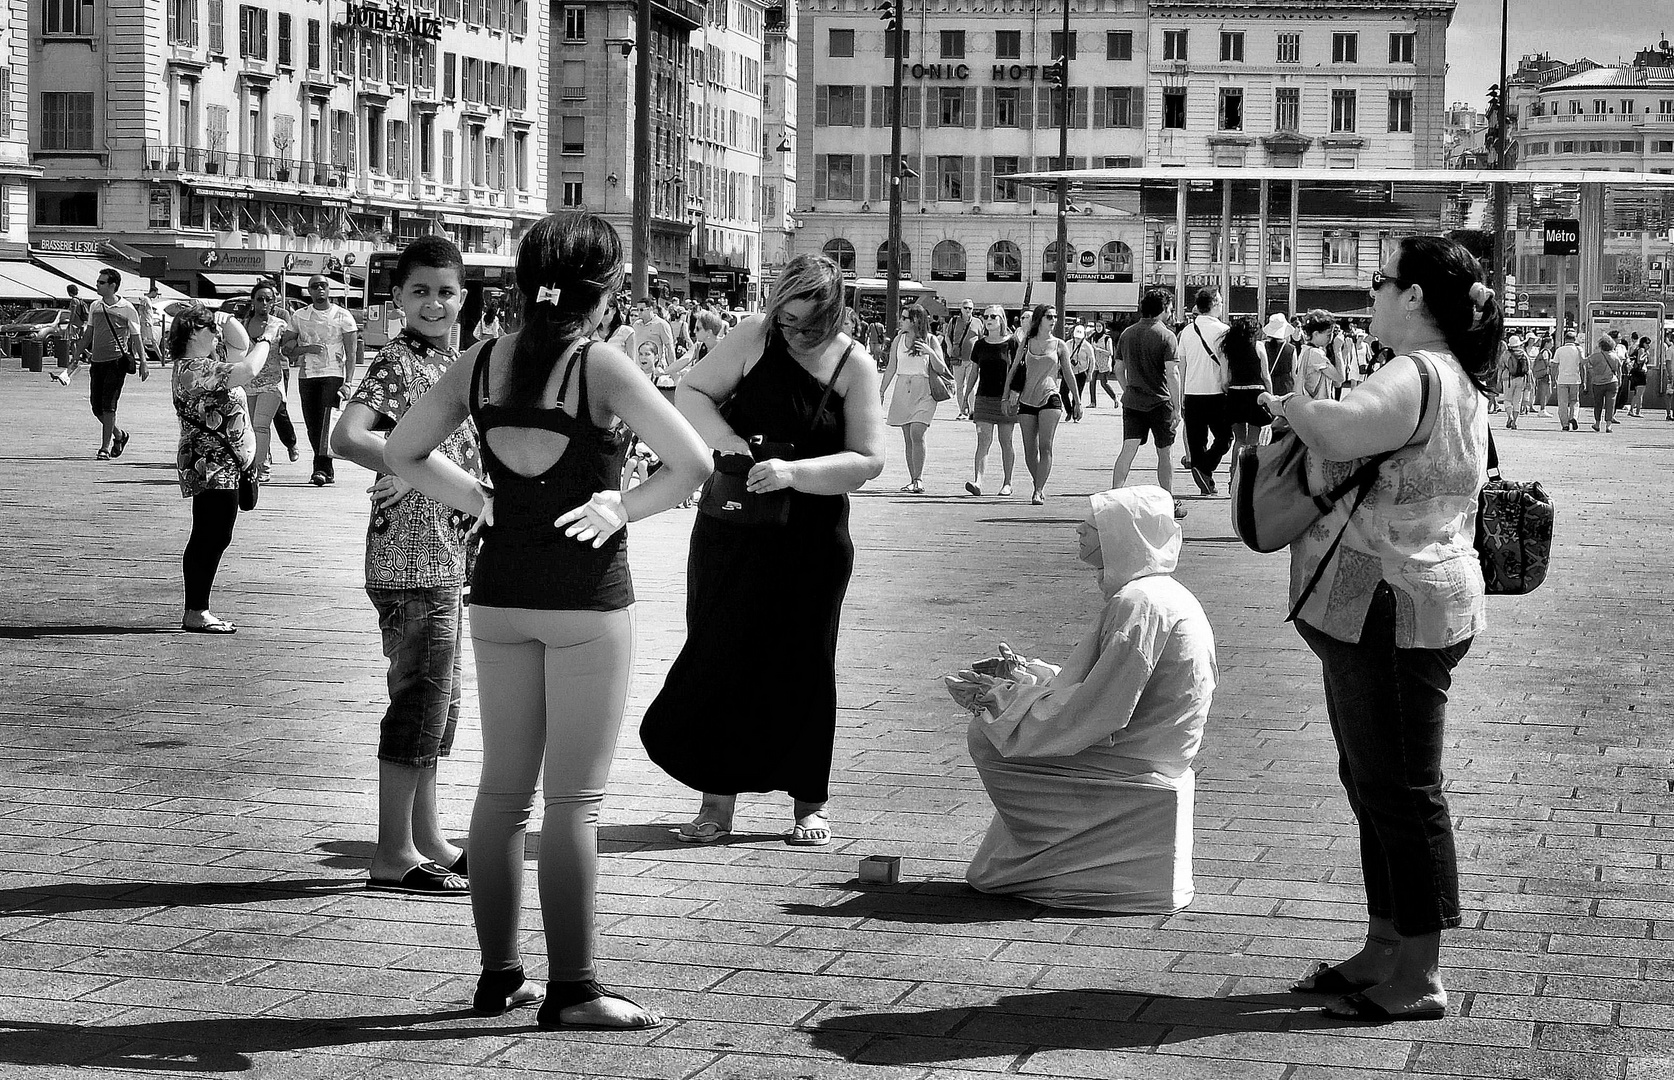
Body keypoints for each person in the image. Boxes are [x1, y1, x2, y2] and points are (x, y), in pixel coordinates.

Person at [385, 212, 711, 1030]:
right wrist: (621, 506)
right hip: (585, 603)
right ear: (603, 295)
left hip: (496, 595)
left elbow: (402, 451)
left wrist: (479, 499)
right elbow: (694, 464)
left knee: (500, 794)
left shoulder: (481, 361)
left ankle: (499, 976)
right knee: (574, 804)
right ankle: (573, 988)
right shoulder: (598, 366)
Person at [1258, 234, 1495, 1024]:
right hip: (1393, 599)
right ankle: (1385, 941)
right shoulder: (1452, 375)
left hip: (1394, 605)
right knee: (1371, 784)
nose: (1371, 293)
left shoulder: (1415, 371)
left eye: (1379, 281)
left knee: (1401, 791)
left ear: (1416, 298)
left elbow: (1335, 433)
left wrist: (1287, 400)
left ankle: (1420, 970)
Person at [640, 254, 886, 849]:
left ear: (834, 314)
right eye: (788, 321)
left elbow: (869, 458)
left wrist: (794, 473)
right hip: (733, 528)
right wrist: (727, 444)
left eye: (809, 325)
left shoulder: (856, 364)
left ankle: (809, 804)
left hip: (811, 539)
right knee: (721, 653)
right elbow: (691, 389)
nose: (796, 334)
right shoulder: (753, 336)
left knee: (804, 660)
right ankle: (715, 803)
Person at [945, 486, 1217, 912]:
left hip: (1142, 750)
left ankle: (1053, 857)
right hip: (1152, 738)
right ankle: (1054, 855)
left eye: (1091, 526)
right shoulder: (1151, 595)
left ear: (1120, 537)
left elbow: (1101, 708)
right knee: (997, 721)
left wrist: (1006, 701)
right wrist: (1024, 677)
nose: (1078, 530)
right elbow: (1105, 688)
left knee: (987, 733)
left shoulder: (1139, 602)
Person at [331, 237, 479, 899]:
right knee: (419, 704)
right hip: (411, 562)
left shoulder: (449, 366)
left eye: (445, 291)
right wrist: (403, 467)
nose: (433, 302)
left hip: (443, 559)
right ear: (397, 299)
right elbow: (348, 435)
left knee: (439, 707)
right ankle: (393, 852)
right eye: (419, 291)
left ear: (463, 299)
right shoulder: (399, 360)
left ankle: (429, 838)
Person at [172, 303, 264, 634]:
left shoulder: (207, 362)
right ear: (193, 333)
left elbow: (240, 346)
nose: (215, 331)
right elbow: (249, 369)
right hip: (209, 463)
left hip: (221, 462)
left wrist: (227, 320)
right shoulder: (193, 368)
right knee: (211, 536)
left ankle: (197, 609)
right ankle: (196, 610)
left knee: (213, 534)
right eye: (209, 327)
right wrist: (267, 341)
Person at [1110, 290, 1185, 520]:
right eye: (1170, 308)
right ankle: (1168, 501)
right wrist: (1177, 406)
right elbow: (1172, 373)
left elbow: (1118, 369)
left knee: (1128, 449)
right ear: (1163, 309)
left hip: (1133, 402)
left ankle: (1114, 498)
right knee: (1165, 453)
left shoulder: (1127, 333)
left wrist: (1128, 389)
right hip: (1159, 402)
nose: (1171, 313)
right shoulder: (1166, 336)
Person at [1003, 304, 1081, 505]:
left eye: (1055, 316)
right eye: (1049, 316)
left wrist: (1077, 401)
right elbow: (1012, 370)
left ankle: (1038, 490)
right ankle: (1038, 481)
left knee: (1046, 446)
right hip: (1027, 399)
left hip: (1050, 398)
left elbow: (1068, 375)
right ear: (1039, 319)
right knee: (1030, 449)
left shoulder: (1059, 345)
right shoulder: (1027, 343)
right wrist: (1005, 397)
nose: (1053, 319)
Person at [288, 274, 360, 486]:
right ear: (308, 291)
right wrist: (306, 349)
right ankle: (324, 468)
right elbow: (287, 349)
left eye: (323, 286)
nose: (319, 289)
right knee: (312, 425)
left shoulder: (342, 316)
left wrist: (348, 382)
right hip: (308, 375)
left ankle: (321, 468)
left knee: (326, 424)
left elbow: (352, 353)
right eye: (314, 286)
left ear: (329, 289)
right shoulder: (300, 316)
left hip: (333, 375)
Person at [72, 269, 149, 460]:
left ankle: (104, 448)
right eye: (98, 282)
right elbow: (88, 333)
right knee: (96, 407)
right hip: (96, 362)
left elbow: (136, 337)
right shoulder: (95, 307)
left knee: (109, 405)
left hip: (116, 362)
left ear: (112, 285)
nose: (97, 285)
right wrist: (76, 354)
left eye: (101, 282)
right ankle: (119, 435)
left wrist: (143, 362)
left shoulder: (128, 308)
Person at [879, 303, 949, 494]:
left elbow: (941, 368)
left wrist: (930, 351)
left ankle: (919, 479)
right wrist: (882, 391)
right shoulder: (898, 340)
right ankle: (913, 479)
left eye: (904, 318)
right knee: (908, 438)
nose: (900, 321)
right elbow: (892, 367)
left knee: (917, 432)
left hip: (924, 390)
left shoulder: (931, 339)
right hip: (903, 390)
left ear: (915, 320)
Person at [1176, 287, 1232, 497]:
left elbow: (1181, 365)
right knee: (1225, 437)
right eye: (1221, 302)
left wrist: (1181, 394)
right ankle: (1206, 470)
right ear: (1215, 304)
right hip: (1217, 392)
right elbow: (1226, 363)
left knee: (1197, 441)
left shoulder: (1187, 331)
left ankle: (1203, 474)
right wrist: (1226, 383)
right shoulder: (1224, 330)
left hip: (1192, 393)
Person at [962, 304, 1019, 497]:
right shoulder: (980, 344)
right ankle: (978, 481)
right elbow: (973, 372)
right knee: (983, 440)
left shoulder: (1011, 342)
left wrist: (1015, 392)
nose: (989, 320)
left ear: (1002, 319)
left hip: (1005, 399)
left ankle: (1007, 482)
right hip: (984, 397)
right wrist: (965, 396)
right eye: (985, 316)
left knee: (1006, 441)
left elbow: (1019, 369)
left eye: (993, 316)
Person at [241, 282, 292, 482]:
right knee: (249, 427)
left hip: (272, 382)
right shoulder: (243, 325)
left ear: (274, 302)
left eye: (268, 299)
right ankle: (258, 461)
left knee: (261, 425)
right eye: (260, 298)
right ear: (253, 301)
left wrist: (305, 348)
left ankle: (260, 468)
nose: (264, 303)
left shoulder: (279, 324)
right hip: (248, 382)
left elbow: (289, 348)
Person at [1223, 317, 1272, 463]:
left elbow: (1225, 380)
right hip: (1255, 393)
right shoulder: (1258, 346)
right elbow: (1265, 375)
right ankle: (1247, 477)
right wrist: (1270, 395)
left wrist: (1230, 390)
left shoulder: (1228, 348)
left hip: (1235, 393)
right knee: (1253, 440)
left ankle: (1234, 475)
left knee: (1239, 440)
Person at [943, 298, 980, 419]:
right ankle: (962, 411)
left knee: (972, 386)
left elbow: (981, 338)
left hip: (972, 360)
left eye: (970, 308)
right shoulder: (954, 321)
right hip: (957, 359)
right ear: (961, 309)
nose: (968, 310)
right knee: (959, 386)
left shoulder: (978, 322)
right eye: (966, 308)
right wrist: (949, 348)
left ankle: (973, 411)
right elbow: (947, 336)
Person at [1300, 310, 1344, 402]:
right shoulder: (1316, 354)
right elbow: (1340, 378)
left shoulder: (1306, 350)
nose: (1331, 338)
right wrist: (1338, 351)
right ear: (1315, 334)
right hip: (1319, 406)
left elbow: (1337, 384)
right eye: (1328, 334)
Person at [1584, 334, 1620, 433]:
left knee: (1598, 403)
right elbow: (1618, 369)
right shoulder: (1614, 356)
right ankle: (1608, 425)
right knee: (1610, 404)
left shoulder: (1595, 356)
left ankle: (1597, 423)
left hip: (1597, 383)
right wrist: (1619, 381)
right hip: (1612, 382)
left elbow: (1584, 362)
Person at [1552, 328, 1585, 431]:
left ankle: (1565, 424)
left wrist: (1553, 379)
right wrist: (1584, 380)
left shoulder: (1559, 350)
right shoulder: (1579, 350)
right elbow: (1582, 366)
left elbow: (1554, 365)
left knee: (1563, 403)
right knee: (1574, 401)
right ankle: (1573, 417)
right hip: (1575, 379)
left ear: (1565, 339)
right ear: (1574, 339)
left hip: (1562, 380)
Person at [631, 297, 675, 371]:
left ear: (650, 309)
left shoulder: (662, 324)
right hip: (639, 367)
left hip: (656, 368)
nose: (639, 312)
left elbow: (669, 348)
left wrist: (673, 369)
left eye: (641, 310)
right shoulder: (636, 325)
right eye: (637, 310)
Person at [1065, 323, 1095, 422]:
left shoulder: (1087, 346)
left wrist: (1090, 373)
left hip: (1081, 372)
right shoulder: (1068, 344)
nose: (1077, 340)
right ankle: (1068, 410)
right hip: (1069, 371)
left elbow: (1092, 360)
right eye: (1076, 338)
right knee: (1063, 392)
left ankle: (1075, 415)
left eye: (1079, 338)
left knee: (1077, 394)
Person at [1499, 334, 1527, 429]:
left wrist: (1499, 380)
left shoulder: (1506, 353)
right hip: (1521, 379)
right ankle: (1514, 422)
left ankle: (1509, 416)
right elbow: (1528, 368)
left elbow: (1501, 367)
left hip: (1508, 378)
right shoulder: (1523, 353)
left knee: (1507, 399)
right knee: (1517, 401)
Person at [1088, 324, 1116, 408]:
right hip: (1095, 362)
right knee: (1092, 382)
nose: (1098, 328)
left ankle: (1114, 398)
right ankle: (1093, 402)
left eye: (1100, 326)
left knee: (1103, 383)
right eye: (1097, 326)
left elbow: (1110, 353)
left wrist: (1099, 349)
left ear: (1103, 327)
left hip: (1104, 363)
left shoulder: (1107, 338)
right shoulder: (1093, 336)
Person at [1529, 333, 1553, 417]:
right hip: (1544, 374)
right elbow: (1547, 363)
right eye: (1551, 343)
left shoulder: (1542, 351)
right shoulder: (1545, 352)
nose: (1552, 345)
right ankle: (1542, 409)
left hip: (1542, 373)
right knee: (1545, 392)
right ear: (1547, 343)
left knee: (1547, 392)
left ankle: (1543, 408)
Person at [1628, 339, 1650, 417]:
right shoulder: (1642, 350)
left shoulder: (1637, 349)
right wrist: (1646, 355)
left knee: (1637, 393)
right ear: (1643, 343)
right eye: (1647, 343)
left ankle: (1631, 410)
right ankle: (1637, 411)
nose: (1648, 345)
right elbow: (1639, 360)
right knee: (1640, 393)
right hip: (1640, 373)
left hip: (1636, 373)